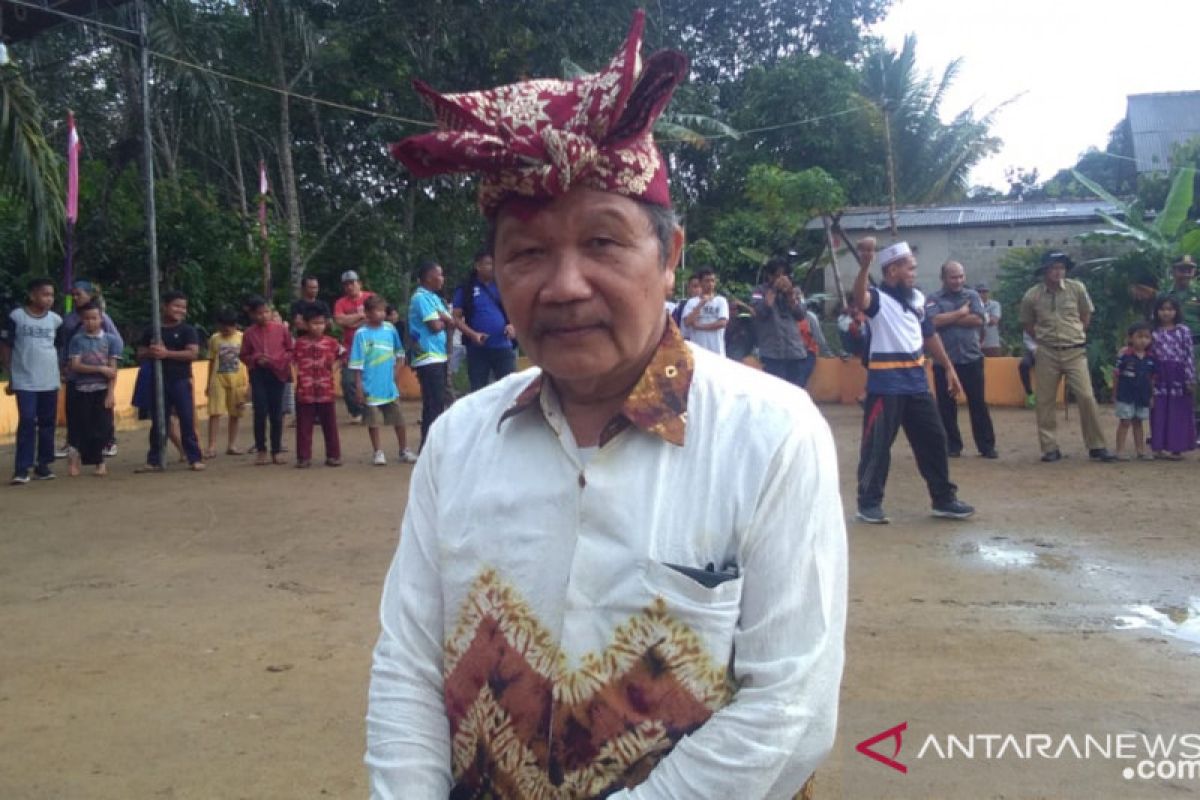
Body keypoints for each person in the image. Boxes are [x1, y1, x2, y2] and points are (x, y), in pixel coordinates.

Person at [371, 11, 846, 799]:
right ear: (495, 275)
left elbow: (789, 706)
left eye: (602, 242)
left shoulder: (771, 434)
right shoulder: (459, 440)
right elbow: (407, 666)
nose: (563, 285)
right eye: (526, 253)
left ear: (671, 260)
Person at [851, 239, 975, 524]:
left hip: (917, 383)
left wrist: (948, 367)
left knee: (934, 439)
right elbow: (860, 299)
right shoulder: (877, 299)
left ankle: (943, 499)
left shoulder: (918, 299)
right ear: (892, 270)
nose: (914, 273)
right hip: (885, 385)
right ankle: (868, 503)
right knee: (877, 446)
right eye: (910, 268)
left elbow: (929, 335)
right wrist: (865, 264)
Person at [1018, 251, 1117, 463]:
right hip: (1046, 351)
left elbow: (1086, 315)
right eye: (1053, 267)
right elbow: (1027, 324)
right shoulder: (1031, 295)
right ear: (1045, 270)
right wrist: (1043, 340)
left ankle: (1096, 445)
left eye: (1061, 267)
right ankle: (1049, 448)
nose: (1057, 272)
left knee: (1087, 397)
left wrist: (1076, 333)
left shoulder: (1076, 288)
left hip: (1074, 351)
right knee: (1045, 401)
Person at [925, 261, 997, 458]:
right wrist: (961, 313)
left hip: (971, 358)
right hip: (944, 361)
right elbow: (931, 322)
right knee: (946, 406)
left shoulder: (972, 295)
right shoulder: (933, 298)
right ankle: (952, 446)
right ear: (943, 278)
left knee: (978, 404)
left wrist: (947, 318)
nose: (958, 281)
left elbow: (979, 320)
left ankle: (986, 446)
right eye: (953, 277)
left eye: (960, 276)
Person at [135, 290, 205, 472]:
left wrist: (167, 354)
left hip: (180, 380)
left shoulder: (187, 330)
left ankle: (194, 457)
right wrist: (152, 352)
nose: (180, 310)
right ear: (165, 306)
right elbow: (140, 353)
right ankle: (154, 459)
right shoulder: (153, 330)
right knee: (159, 421)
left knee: (186, 419)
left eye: (183, 307)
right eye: (176, 306)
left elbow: (192, 353)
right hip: (158, 382)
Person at [2, 278, 63, 484]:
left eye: (52, 295)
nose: (49, 299)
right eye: (45, 294)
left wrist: (61, 372)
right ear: (32, 295)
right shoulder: (16, 317)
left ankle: (43, 465)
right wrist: (10, 374)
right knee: (27, 420)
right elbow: (6, 346)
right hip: (25, 379)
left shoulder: (55, 320)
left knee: (47, 423)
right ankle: (21, 468)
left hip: (49, 379)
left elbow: (60, 347)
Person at [57, 279, 123, 459]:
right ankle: (73, 444)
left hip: (99, 375)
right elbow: (63, 343)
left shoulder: (102, 317)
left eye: (79, 294)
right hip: (73, 373)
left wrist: (108, 362)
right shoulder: (69, 318)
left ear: (89, 295)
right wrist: (62, 365)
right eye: (74, 295)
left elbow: (115, 341)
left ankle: (108, 442)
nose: (76, 297)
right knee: (74, 410)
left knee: (102, 411)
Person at [351, 294, 417, 466]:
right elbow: (357, 363)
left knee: (399, 419)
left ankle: (404, 450)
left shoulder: (390, 329)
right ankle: (377, 452)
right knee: (372, 421)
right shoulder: (361, 334)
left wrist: (395, 373)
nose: (380, 314)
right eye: (376, 311)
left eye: (382, 311)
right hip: (370, 385)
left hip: (388, 385)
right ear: (366, 313)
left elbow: (400, 353)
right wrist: (358, 385)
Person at [64, 302, 121, 477]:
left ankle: (99, 461)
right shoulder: (77, 340)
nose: (90, 322)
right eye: (86, 319)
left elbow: (113, 370)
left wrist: (111, 393)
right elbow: (75, 365)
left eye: (94, 318)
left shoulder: (111, 340)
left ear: (101, 318)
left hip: (102, 389)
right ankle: (75, 460)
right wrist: (99, 369)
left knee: (102, 429)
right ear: (82, 320)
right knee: (80, 427)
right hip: (81, 390)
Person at [452, 249, 518, 392]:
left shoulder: (503, 285)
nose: (493, 267)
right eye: (488, 263)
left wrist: (513, 325)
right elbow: (456, 318)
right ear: (478, 266)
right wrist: (472, 335)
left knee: (510, 389)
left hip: (503, 346)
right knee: (479, 390)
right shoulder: (466, 289)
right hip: (477, 349)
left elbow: (516, 309)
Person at [240, 296, 293, 465]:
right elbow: (243, 355)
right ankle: (261, 449)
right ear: (253, 315)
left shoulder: (281, 329)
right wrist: (256, 359)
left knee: (276, 413)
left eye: (266, 312)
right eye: (259, 313)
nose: (263, 316)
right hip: (258, 374)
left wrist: (279, 361)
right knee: (260, 412)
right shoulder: (249, 333)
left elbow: (291, 350)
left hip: (278, 373)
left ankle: (276, 450)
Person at [407, 260, 454, 450]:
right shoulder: (421, 298)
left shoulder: (433, 297)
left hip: (438, 356)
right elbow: (435, 326)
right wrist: (443, 320)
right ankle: (427, 447)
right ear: (429, 277)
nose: (442, 278)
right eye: (439, 274)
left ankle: (432, 444)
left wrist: (443, 319)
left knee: (438, 401)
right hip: (428, 357)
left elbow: (450, 321)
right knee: (433, 403)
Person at [293, 305, 344, 467]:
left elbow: (343, 355)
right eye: (314, 323)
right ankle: (303, 457)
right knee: (303, 426)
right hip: (305, 391)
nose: (318, 326)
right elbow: (291, 361)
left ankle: (333, 455)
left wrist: (334, 368)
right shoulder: (298, 344)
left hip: (326, 390)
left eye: (321, 323)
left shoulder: (332, 342)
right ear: (306, 324)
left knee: (330, 425)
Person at [1149, 295, 1196, 459]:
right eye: (1162, 309)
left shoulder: (1184, 331)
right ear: (1157, 312)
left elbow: (1189, 355)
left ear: (1176, 311)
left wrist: (1189, 378)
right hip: (1160, 374)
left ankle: (1177, 447)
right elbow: (1149, 355)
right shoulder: (1153, 331)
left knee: (1179, 411)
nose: (1166, 313)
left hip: (1178, 374)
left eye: (1170, 309)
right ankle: (1159, 447)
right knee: (1159, 410)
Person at [751, 258, 810, 386]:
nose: (782, 279)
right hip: (772, 354)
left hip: (795, 352)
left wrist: (790, 295)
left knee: (796, 392)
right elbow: (760, 313)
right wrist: (773, 290)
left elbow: (801, 315)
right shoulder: (759, 291)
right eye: (778, 275)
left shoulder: (796, 291)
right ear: (769, 276)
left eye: (784, 275)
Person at [205, 307, 248, 458]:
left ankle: (232, 445)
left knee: (235, 414)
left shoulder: (243, 337)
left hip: (238, 380)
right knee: (215, 413)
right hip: (218, 380)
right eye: (223, 325)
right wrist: (207, 383)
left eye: (229, 325)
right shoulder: (215, 339)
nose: (226, 329)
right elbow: (211, 361)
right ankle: (211, 446)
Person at [333, 270, 375, 423]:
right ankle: (356, 411)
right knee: (347, 381)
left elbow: (373, 317)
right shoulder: (340, 302)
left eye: (352, 283)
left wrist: (352, 321)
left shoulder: (370, 297)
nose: (350, 286)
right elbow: (340, 321)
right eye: (346, 284)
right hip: (350, 348)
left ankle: (370, 411)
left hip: (371, 346)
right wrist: (360, 316)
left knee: (371, 379)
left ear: (359, 283)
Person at [1112, 321, 1156, 461]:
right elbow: (1116, 375)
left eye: (1147, 337)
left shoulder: (1151, 358)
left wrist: (1151, 396)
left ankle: (1140, 451)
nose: (1143, 340)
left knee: (1138, 422)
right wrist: (1114, 393)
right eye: (1139, 336)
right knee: (1125, 422)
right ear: (1131, 338)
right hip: (1125, 394)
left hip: (1142, 395)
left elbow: (1152, 379)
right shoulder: (1124, 355)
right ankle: (1119, 451)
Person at [680, 267, 729, 355]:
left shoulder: (721, 301)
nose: (710, 284)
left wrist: (700, 326)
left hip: (717, 351)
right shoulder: (692, 302)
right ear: (700, 282)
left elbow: (722, 323)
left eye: (712, 281)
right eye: (707, 281)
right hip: (697, 352)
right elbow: (687, 322)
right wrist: (701, 304)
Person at [794, 290, 834, 388]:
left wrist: (827, 352)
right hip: (793, 352)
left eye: (799, 299)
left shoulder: (810, 317)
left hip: (809, 352)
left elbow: (818, 336)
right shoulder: (788, 316)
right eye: (795, 299)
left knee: (802, 374)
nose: (797, 302)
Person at [978, 283, 1003, 357]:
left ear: (988, 293)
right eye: (979, 291)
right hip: (975, 346)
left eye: (984, 291)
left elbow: (994, 321)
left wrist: (978, 316)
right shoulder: (970, 305)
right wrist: (987, 316)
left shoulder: (995, 304)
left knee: (995, 367)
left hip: (992, 344)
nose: (982, 294)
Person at [1018, 332, 1037, 408]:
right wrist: (1035, 350)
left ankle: (1046, 397)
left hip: (1048, 351)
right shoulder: (1029, 324)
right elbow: (1027, 341)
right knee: (1023, 365)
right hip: (1032, 351)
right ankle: (1030, 394)